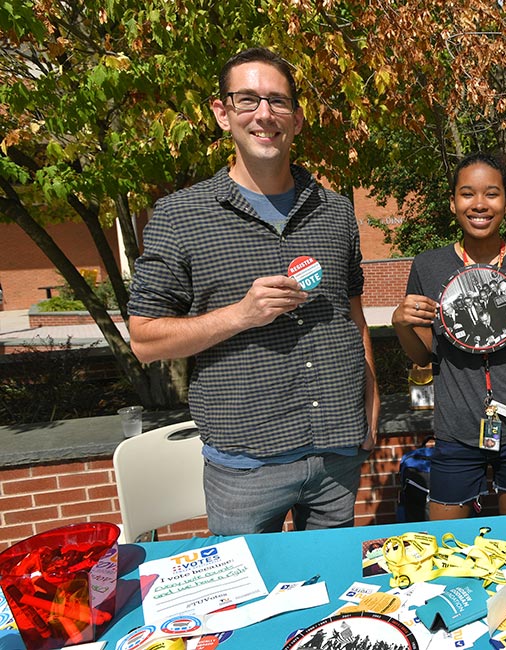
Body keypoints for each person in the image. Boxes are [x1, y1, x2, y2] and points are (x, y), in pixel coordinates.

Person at [128, 47, 379, 534]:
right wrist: (240, 315)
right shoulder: (179, 217)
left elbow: (353, 315)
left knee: (334, 595)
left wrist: (371, 396)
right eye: (247, 100)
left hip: (337, 454)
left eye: (278, 101)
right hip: (246, 465)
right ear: (222, 113)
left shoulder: (335, 211)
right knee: (246, 602)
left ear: (298, 118)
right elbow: (144, 339)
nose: (264, 114)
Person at [392, 152, 506, 520]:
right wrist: (400, 324)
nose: (479, 204)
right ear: (453, 203)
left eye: (492, 194)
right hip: (455, 430)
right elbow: (422, 357)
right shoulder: (428, 266)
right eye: (467, 194)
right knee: (448, 547)